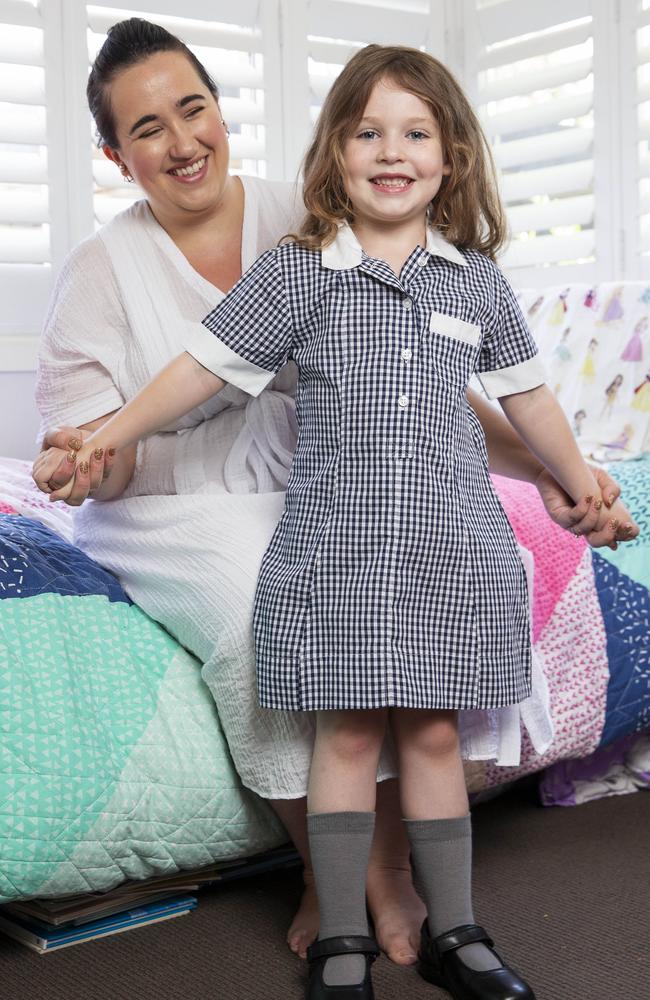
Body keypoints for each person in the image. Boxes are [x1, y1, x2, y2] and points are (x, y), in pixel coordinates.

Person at [32, 23, 637, 983]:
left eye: (195, 108)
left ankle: (454, 921)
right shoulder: (286, 264)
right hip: (249, 512)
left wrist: (567, 478)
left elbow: (496, 397)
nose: (183, 139)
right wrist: (99, 441)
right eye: (148, 128)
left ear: (451, 159)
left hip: (413, 519)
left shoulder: (441, 271)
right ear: (116, 155)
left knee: (430, 722)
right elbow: (196, 371)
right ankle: (343, 888)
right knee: (327, 697)